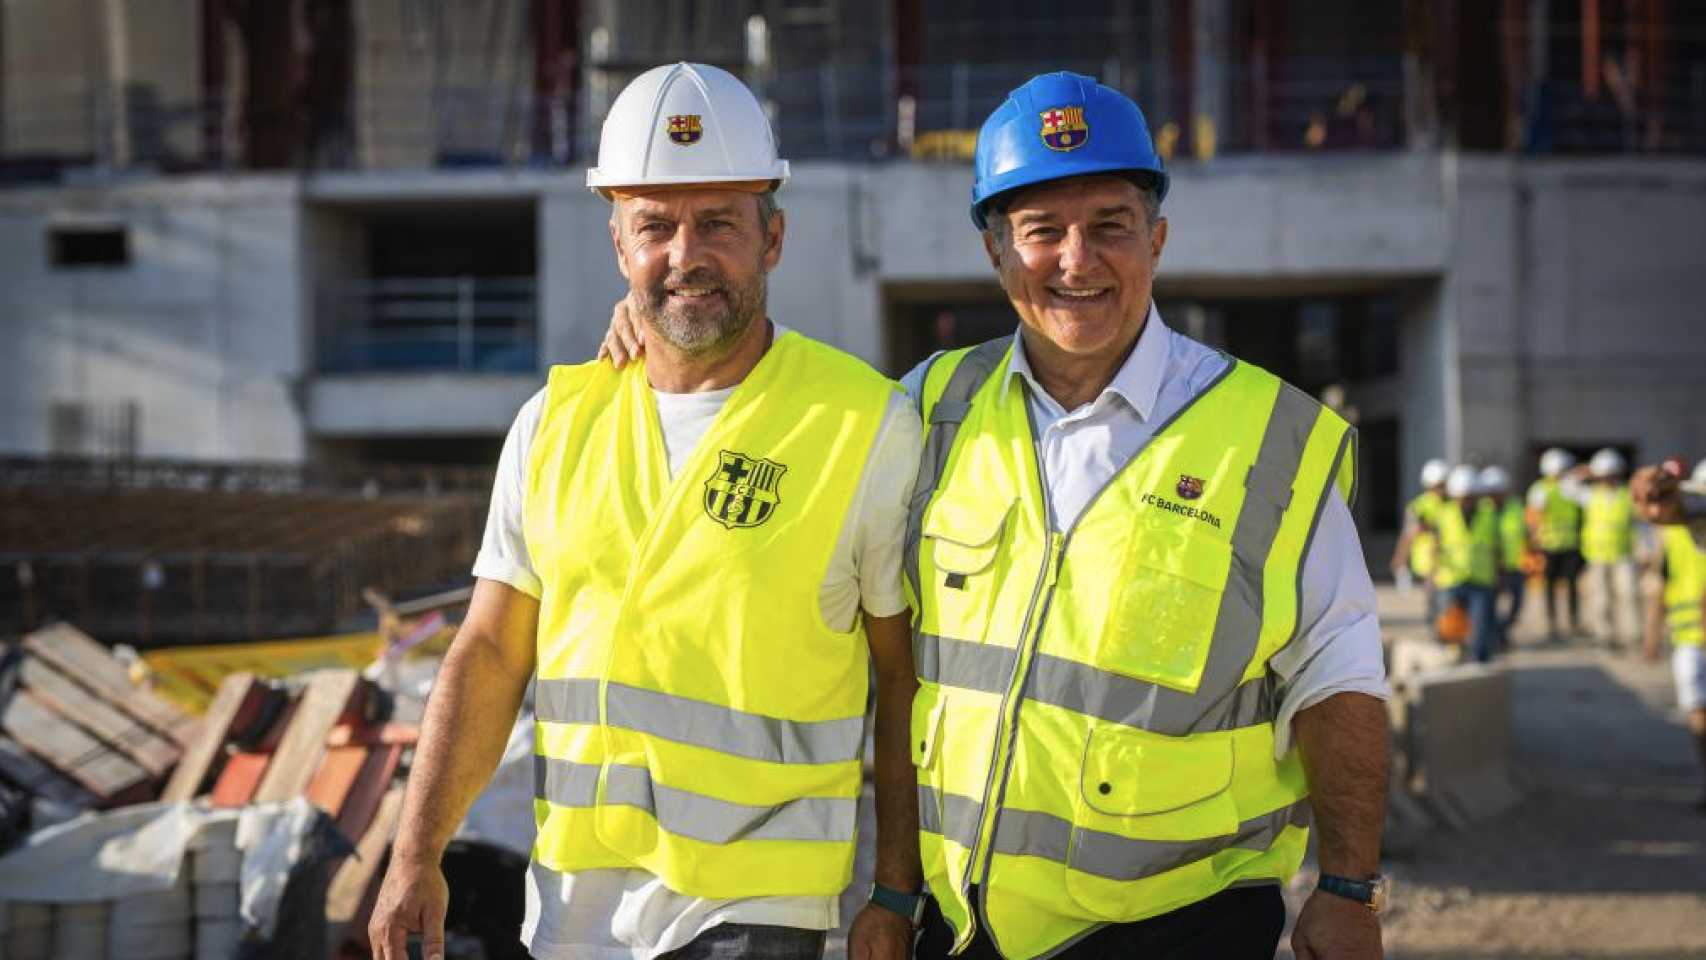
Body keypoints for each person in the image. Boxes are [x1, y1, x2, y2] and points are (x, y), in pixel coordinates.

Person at [601, 71, 1392, 960]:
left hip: (1181, 923)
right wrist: (655, 329)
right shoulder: (929, 408)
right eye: (1041, 231)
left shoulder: (1269, 440)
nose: (1076, 261)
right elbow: (781, 430)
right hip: (964, 928)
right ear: (997, 254)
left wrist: (1348, 887)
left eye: (1109, 227)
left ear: (1158, 239)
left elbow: (1341, 674)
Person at [368, 63, 924, 960]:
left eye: (718, 224)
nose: (684, 255)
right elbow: (489, 648)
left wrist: (894, 891)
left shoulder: (865, 426)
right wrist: (414, 852)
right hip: (570, 911)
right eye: (655, 226)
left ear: (773, 237)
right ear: (618, 244)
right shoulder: (555, 421)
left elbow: (903, 682)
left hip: (757, 905)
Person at [1643, 458, 1706, 811]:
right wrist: (1652, 634)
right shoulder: (1674, 534)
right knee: (1698, 712)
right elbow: (1662, 585)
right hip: (1688, 637)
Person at [1435, 465, 1501, 663]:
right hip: (1451, 579)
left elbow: (1496, 548)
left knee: (1480, 629)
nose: (1467, 501)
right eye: (1463, 497)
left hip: (1481, 581)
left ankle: (1482, 665)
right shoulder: (1445, 514)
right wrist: (1433, 571)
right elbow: (1435, 545)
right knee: (1450, 629)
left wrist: (1499, 575)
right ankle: (1451, 664)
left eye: (1471, 497)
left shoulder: (1489, 515)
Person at [1581, 447, 1640, 650]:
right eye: (1603, 475)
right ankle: (1605, 634)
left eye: (1610, 475)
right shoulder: (1589, 495)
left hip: (1623, 553)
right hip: (1597, 554)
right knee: (1600, 597)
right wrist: (1585, 471)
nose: (1607, 480)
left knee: (1628, 594)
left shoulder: (1628, 496)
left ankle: (1631, 635)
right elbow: (1565, 486)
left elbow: (1640, 524)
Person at [1528, 447, 1584, 642]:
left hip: (1570, 544)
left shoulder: (1572, 487)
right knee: (1550, 585)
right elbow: (1534, 518)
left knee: (1571, 583)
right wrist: (1535, 544)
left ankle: (1573, 621)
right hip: (1549, 546)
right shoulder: (1540, 489)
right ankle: (1552, 624)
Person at [1391, 458, 1450, 616]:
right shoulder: (1418, 506)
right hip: (1428, 560)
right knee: (1436, 600)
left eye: (1444, 484)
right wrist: (1400, 559)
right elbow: (1408, 534)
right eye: (1439, 485)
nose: (1442, 489)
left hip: (1450, 559)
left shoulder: (1453, 504)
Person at [1479, 465, 1530, 642]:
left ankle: (1503, 630)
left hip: (1513, 565)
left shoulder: (1516, 506)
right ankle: (1496, 637)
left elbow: (1525, 532)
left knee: (1516, 604)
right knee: (1489, 606)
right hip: (1489, 568)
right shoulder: (1481, 510)